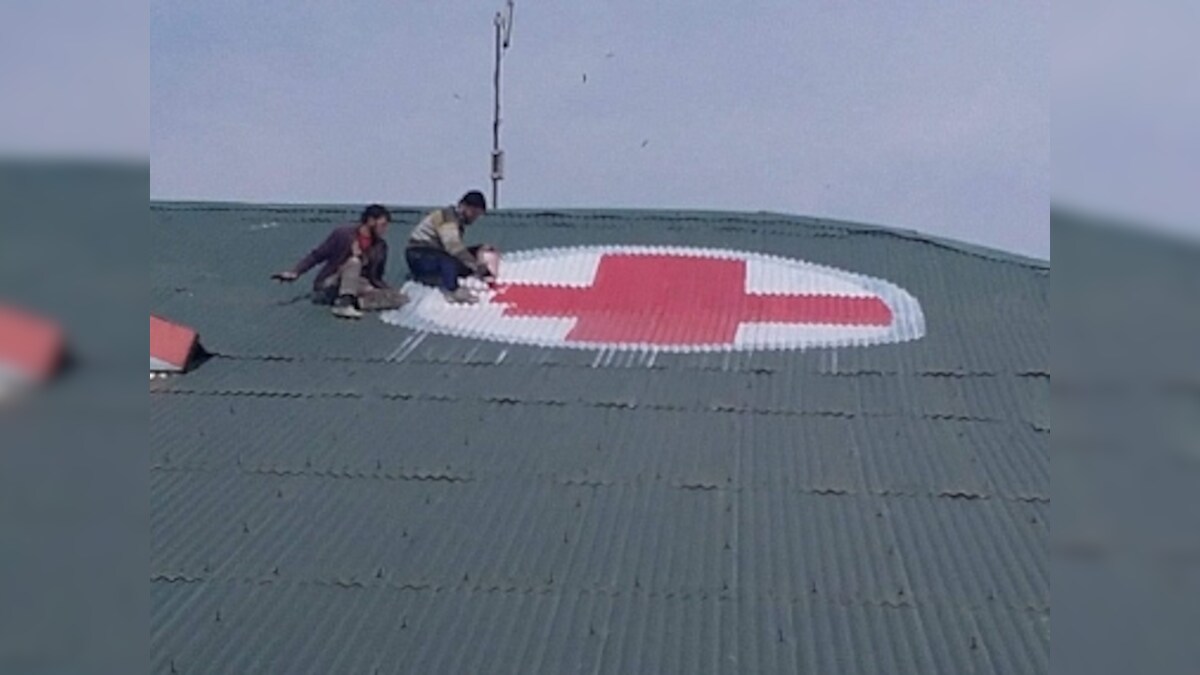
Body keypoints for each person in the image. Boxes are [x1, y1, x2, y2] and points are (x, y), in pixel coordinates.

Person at [272, 204, 407, 319]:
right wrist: (296, 272)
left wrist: (388, 292)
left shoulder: (380, 247)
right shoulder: (343, 234)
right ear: (371, 221)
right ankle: (344, 304)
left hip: (359, 285)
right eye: (382, 225)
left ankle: (357, 301)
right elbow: (317, 255)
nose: (384, 230)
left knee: (400, 299)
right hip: (332, 282)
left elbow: (376, 277)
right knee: (354, 262)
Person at [405, 191, 496, 304]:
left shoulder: (458, 222)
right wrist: (477, 266)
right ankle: (453, 290)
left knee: (464, 259)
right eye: (473, 213)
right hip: (419, 254)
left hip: (436, 254)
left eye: (477, 215)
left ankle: (440, 276)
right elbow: (453, 247)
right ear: (463, 206)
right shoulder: (447, 217)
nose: (474, 218)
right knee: (448, 261)